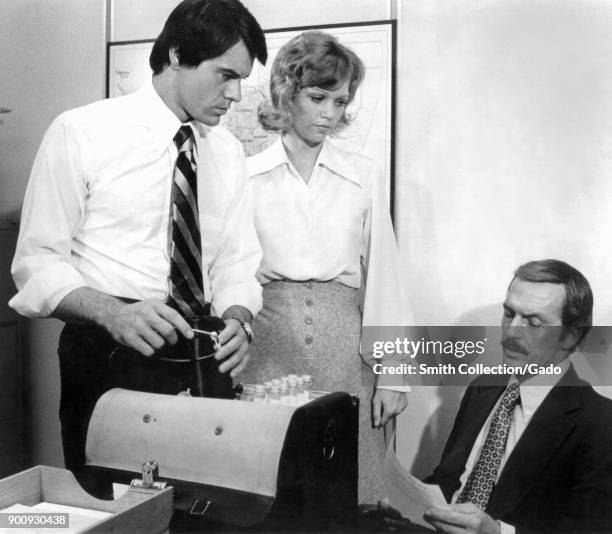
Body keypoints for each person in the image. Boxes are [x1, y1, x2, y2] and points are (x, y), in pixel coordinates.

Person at [10, 0, 267, 475]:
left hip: (203, 356)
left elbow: (236, 263)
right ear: (175, 55)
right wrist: (113, 312)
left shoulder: (228, 153)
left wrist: (239, 319)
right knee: (116, 511)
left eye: (241, 80)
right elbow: (36, 262)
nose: (234, 94)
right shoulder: (82, 132)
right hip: (109, 355)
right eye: (224, 75)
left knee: (209, 511)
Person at [243, 31, 413, 504]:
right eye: (318, 97)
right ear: (285, 92)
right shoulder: (245, 175)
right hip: (267, 345)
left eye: (340, 102)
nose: (330, 114)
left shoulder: (363, 176)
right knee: (267, 493)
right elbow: (228, 275)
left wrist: (393, 374)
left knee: (346, 492)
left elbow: (385, 278)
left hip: (345, 347)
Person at [380, 259, 612, 533]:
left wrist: (496, 532)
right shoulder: (483, 387)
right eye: (508, 313)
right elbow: (449, 483)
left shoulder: (600, 423)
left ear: (570, 336)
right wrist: (410, 507)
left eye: (533, 322)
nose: (511, 331)